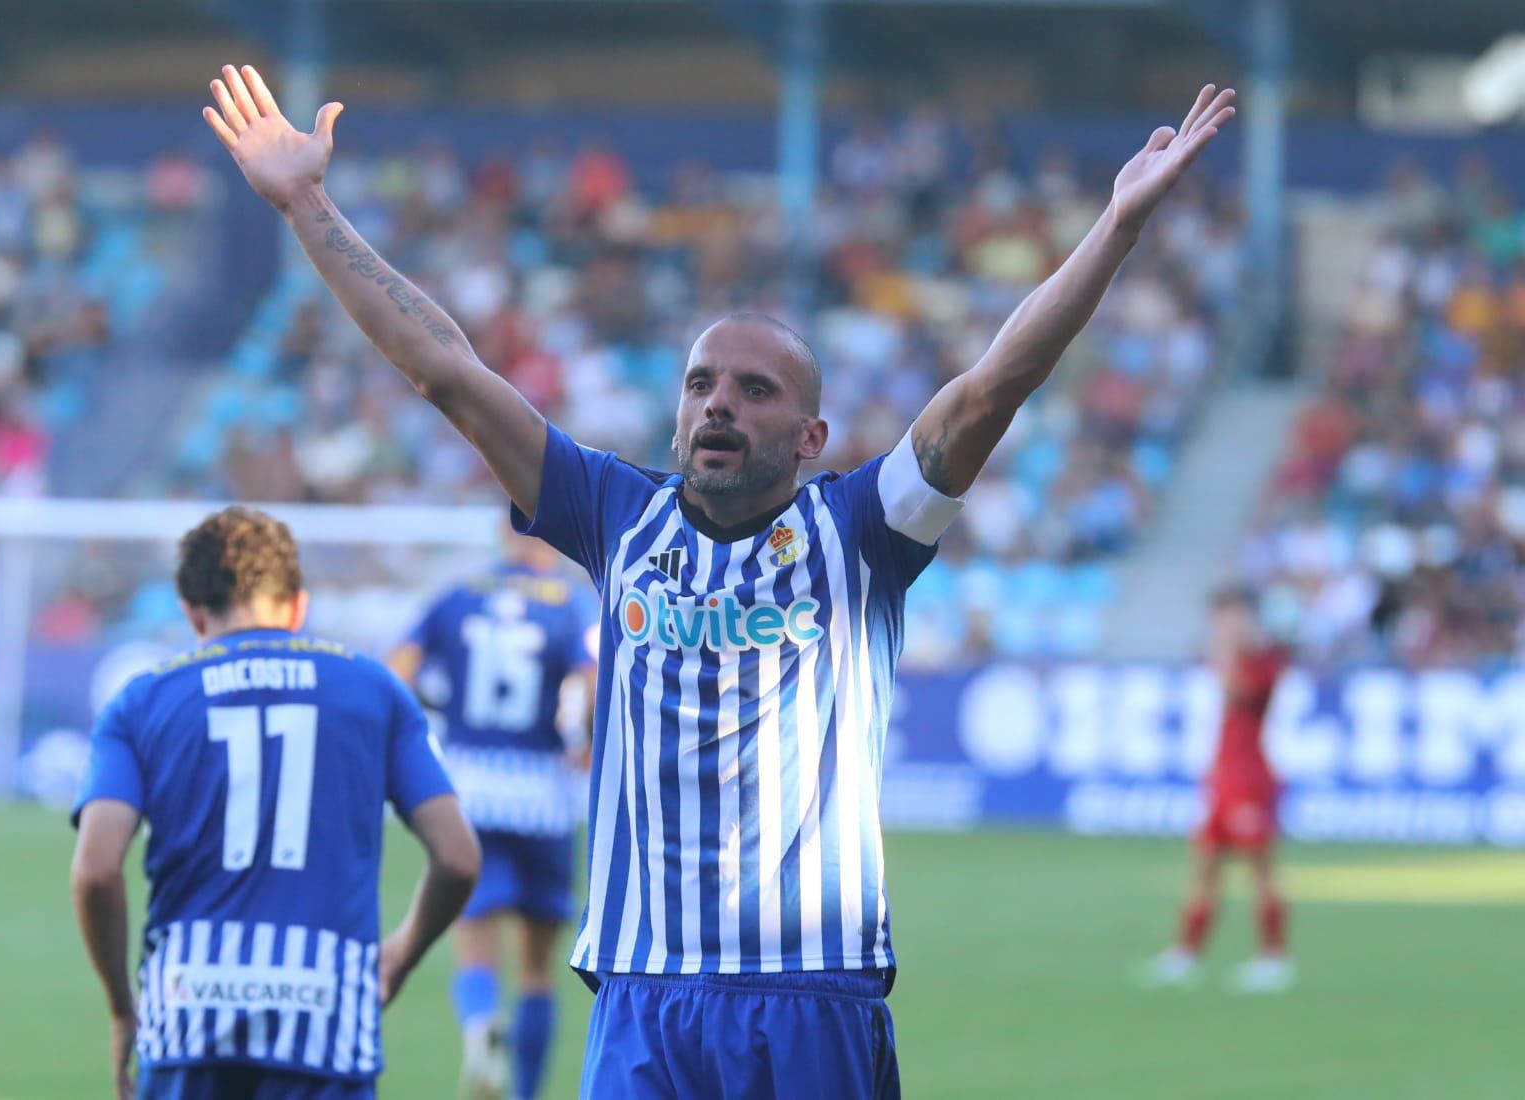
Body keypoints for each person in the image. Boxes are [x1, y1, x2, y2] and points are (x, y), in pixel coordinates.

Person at [204, 64, 1235, 1096]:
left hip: (809, 990)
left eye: (754, 388)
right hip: (643, 992)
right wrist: (306, 203)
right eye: (700, 383)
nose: (719, 404)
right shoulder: (613, 513)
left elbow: (994, 384)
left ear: (811, 434)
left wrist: (1116, 228)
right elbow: (446, 370)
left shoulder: (863, 530)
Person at [70, 506, 482, 1099]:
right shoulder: (374, 690)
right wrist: (401, 954)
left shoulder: (143, 701)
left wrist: (120, 1007)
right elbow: (459, 858)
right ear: (298, 606)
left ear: (191, 613)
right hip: (326, 1021)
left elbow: (97, 869)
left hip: (187, 1014)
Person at [386, 528, 596, 1100]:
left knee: (473, 936)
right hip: (544, 798)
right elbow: (587, 681)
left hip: (470, 791)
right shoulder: (571, 601)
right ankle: (525, 1092)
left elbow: (397, 673)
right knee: (535, 967)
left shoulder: (456, 596)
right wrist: (579, 736)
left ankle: (481, 1028)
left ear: (505, 534)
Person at [1146, 586, 1294, 993]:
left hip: (1251, 779)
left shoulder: (1263, 663)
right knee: (1206, 868)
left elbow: (1237, 695)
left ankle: (1274, 957)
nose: (1223, 626)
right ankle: (1186, 954)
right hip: (1224, 777)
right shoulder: (1233, 658)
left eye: (1231, 617)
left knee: (1260, 869)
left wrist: (1224, 652)